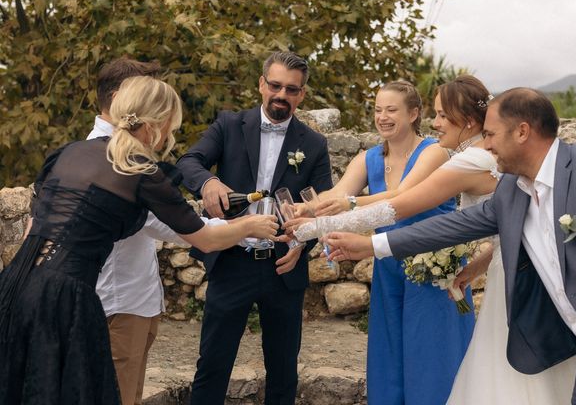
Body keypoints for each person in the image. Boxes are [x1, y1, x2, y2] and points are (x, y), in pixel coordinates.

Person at [325, 88, 576, 404]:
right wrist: (372, 246)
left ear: (521, 132)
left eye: (490, 134)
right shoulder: (511, 190)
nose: (486, 144)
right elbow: (452, 226)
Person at [0, 77, 278, 405]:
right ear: (157, 125)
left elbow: (36, 220)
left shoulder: (70, 152)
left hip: (16, 284)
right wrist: (250, 225)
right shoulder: (140, 171)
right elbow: (205, 239)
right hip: (66, 294)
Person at [299, 79, 473, 404]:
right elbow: (337, 194)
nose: (383, 116)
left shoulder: (434, 151)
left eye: (391, 109)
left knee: (431, 354)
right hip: (388, 266)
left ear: (414, 114)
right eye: (378, 110)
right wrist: (305, 209)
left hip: (432, 267)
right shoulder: (368, 158)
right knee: (389, 353)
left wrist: (350, 203)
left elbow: (404, 196)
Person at [176, 51, 332, 405]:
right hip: (232, 260)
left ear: (302, 94)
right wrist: (208, 184)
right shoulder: (229, 125)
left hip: (283, 265)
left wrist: (300, 245)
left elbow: (323, 204)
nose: (282, 95)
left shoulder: (313, 144)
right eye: (275, 85)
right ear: (261, 84)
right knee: (213, 365)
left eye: (292, 90)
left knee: (283, 371)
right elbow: (188, 161)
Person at [88, 58, 232, 405]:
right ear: (125, 97)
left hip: (137, 299)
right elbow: (173, 224)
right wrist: (250, 227)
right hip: (116, 303)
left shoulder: (121, 154)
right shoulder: (110, 158)